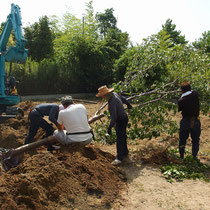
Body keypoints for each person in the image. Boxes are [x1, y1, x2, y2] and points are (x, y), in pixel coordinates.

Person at [96, 85, 132, 165]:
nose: (103, 98)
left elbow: (114, 117)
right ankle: (125, 152)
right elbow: (123, 99)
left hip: (120, 120)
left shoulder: (112, 102)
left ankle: (119, 158)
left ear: (105, 95)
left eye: (102, 96)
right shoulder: (114, 94)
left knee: (119, 138)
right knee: (123, 136)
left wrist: (109, 128)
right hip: (124, 118)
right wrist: (128, 104)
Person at [178, 82, 201, 159]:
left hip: (186, 121)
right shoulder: (195, 94)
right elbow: (193, 91)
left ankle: (181, 157)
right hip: (195, 121)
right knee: (195, 140)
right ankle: (194, 157)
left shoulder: (181, 100)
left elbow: (179, 109)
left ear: (182, 91)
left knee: (182, 140)